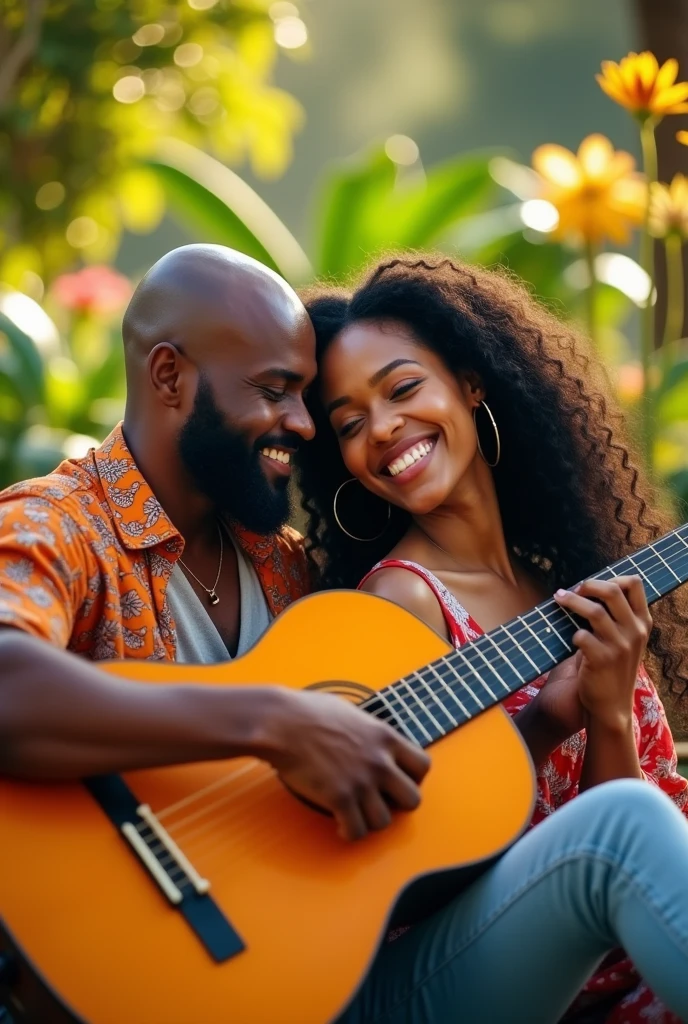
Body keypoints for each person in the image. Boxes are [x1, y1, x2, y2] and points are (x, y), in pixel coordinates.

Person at [296, 254, 688, 1023]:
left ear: (471, 385)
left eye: (404, 388)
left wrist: (606, 714)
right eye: (349, 423)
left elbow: (633, 846)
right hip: (476, 970)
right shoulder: (402, 602)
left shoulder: (561, 581)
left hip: (618, 949)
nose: (383, 429)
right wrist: (566, 719)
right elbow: (436, 861)